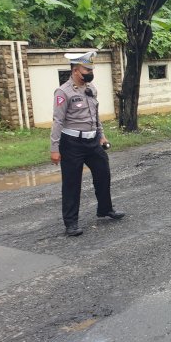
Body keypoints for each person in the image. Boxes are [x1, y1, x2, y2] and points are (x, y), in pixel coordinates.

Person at [50, 51, 124, 236]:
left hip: (92, 141)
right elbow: (57, 121)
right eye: (87, 69)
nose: (90, 72)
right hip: (71, 143)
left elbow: (95, 116)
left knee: (103, 172)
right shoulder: (63, 92)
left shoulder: (91, 89)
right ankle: (71, 223)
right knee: (72, 183)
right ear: (75, 70)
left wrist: (102, 136)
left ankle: (105, 209)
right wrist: (54, 148)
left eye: (91, 69)